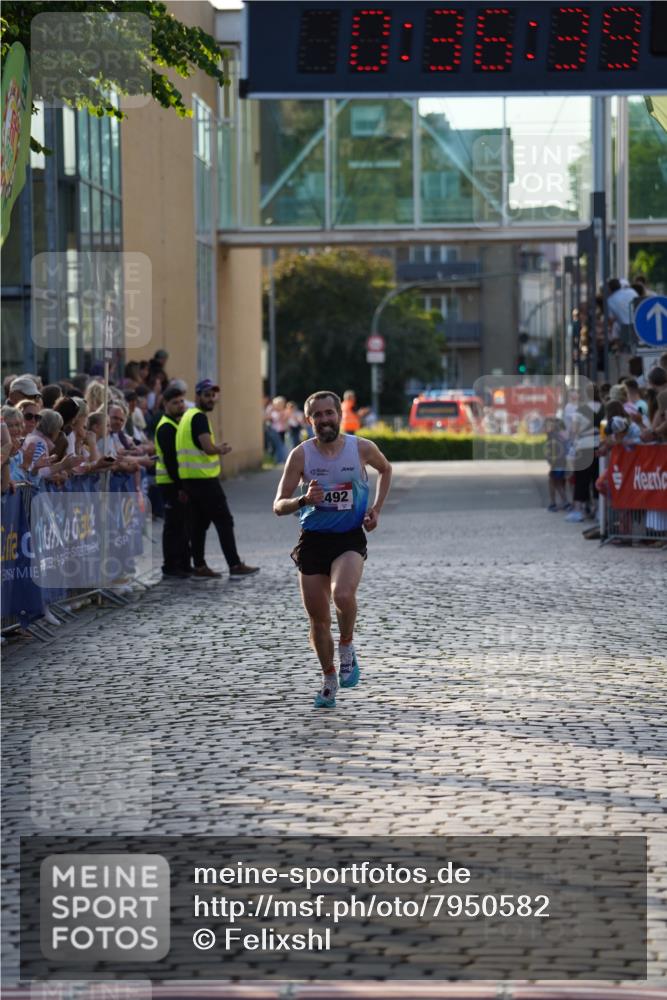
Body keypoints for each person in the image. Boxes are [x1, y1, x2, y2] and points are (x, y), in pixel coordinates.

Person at [273, 390, 392, 709]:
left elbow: (386, 469)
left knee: (342, 594)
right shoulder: (300, 455)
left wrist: (376, 509)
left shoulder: (361, 448)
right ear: (308, 420)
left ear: (340, 414)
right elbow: (278, 505)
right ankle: (328, 678)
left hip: (349, 537)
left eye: (330, 413)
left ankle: (347, 645)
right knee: (318, 619)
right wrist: (303, 500)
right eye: (318, 415)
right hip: (313, 540)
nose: (324, 419)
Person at [175, 378, 258, 580]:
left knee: (199, 524)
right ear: (197, 396)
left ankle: (199, 566)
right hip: (205, 481)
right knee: (224, 521)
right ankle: (234, 565)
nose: (211, 399)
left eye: (213, 395)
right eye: (207, 395)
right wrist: (219, 449)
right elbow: (207, 447)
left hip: (190, 481)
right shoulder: (199, 417)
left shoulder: (187, 416)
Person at [154, 384, 192, 578]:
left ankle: (184, 563)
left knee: (182, 524)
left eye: (181, 401)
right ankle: (171, 565)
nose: (180, 405)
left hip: (175, 482)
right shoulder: (166, 427)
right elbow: (170, 461)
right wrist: (180, 487)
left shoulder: (176, 424)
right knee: (173, 525)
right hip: (170, 483)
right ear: (166, 404)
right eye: (175, 402)